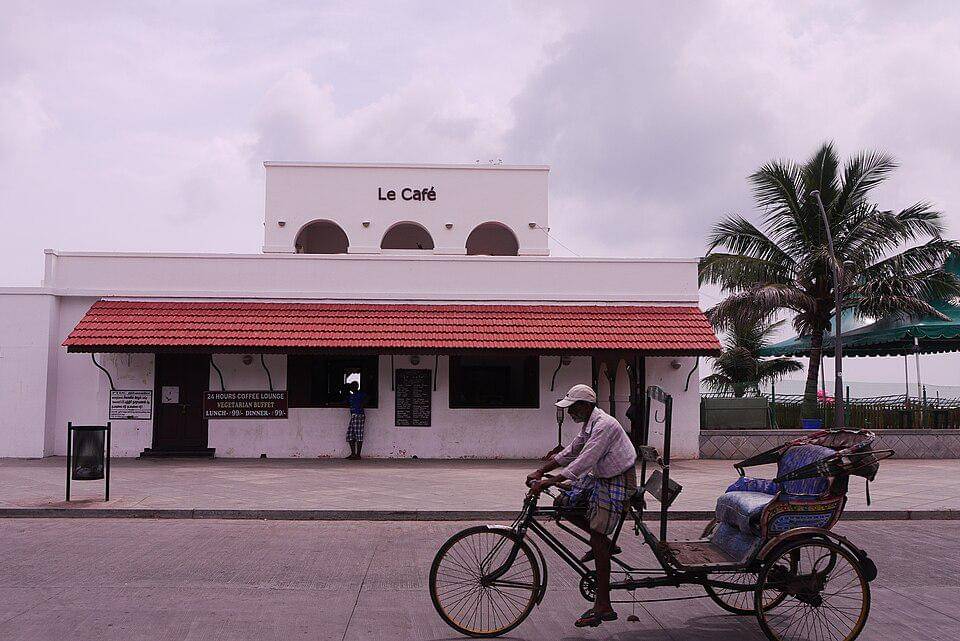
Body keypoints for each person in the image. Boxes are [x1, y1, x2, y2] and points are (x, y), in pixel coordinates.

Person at [527, 384, 637, 628]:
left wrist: (550, 481)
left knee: (597, 537)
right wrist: (541, 470)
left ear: (585, 406)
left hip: (617, 478)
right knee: (563, 504)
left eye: (573, 408)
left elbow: (584, 460)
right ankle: (607, 546)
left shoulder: (604, 426)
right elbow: (571, 451)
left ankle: (604, 605)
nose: (569, 413)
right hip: (601, 475)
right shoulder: (590, 424)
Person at [345, 381, 366, 460]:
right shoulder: (351, 396)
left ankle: (358, 455)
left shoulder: (360, 394)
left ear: (356, 386)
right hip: (353, 415)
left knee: (358, 435)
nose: (351, 388)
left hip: (359, 415)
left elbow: (368, 397)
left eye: (352, 386)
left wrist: (362, 404)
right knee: (350, 435)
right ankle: (353, 453)